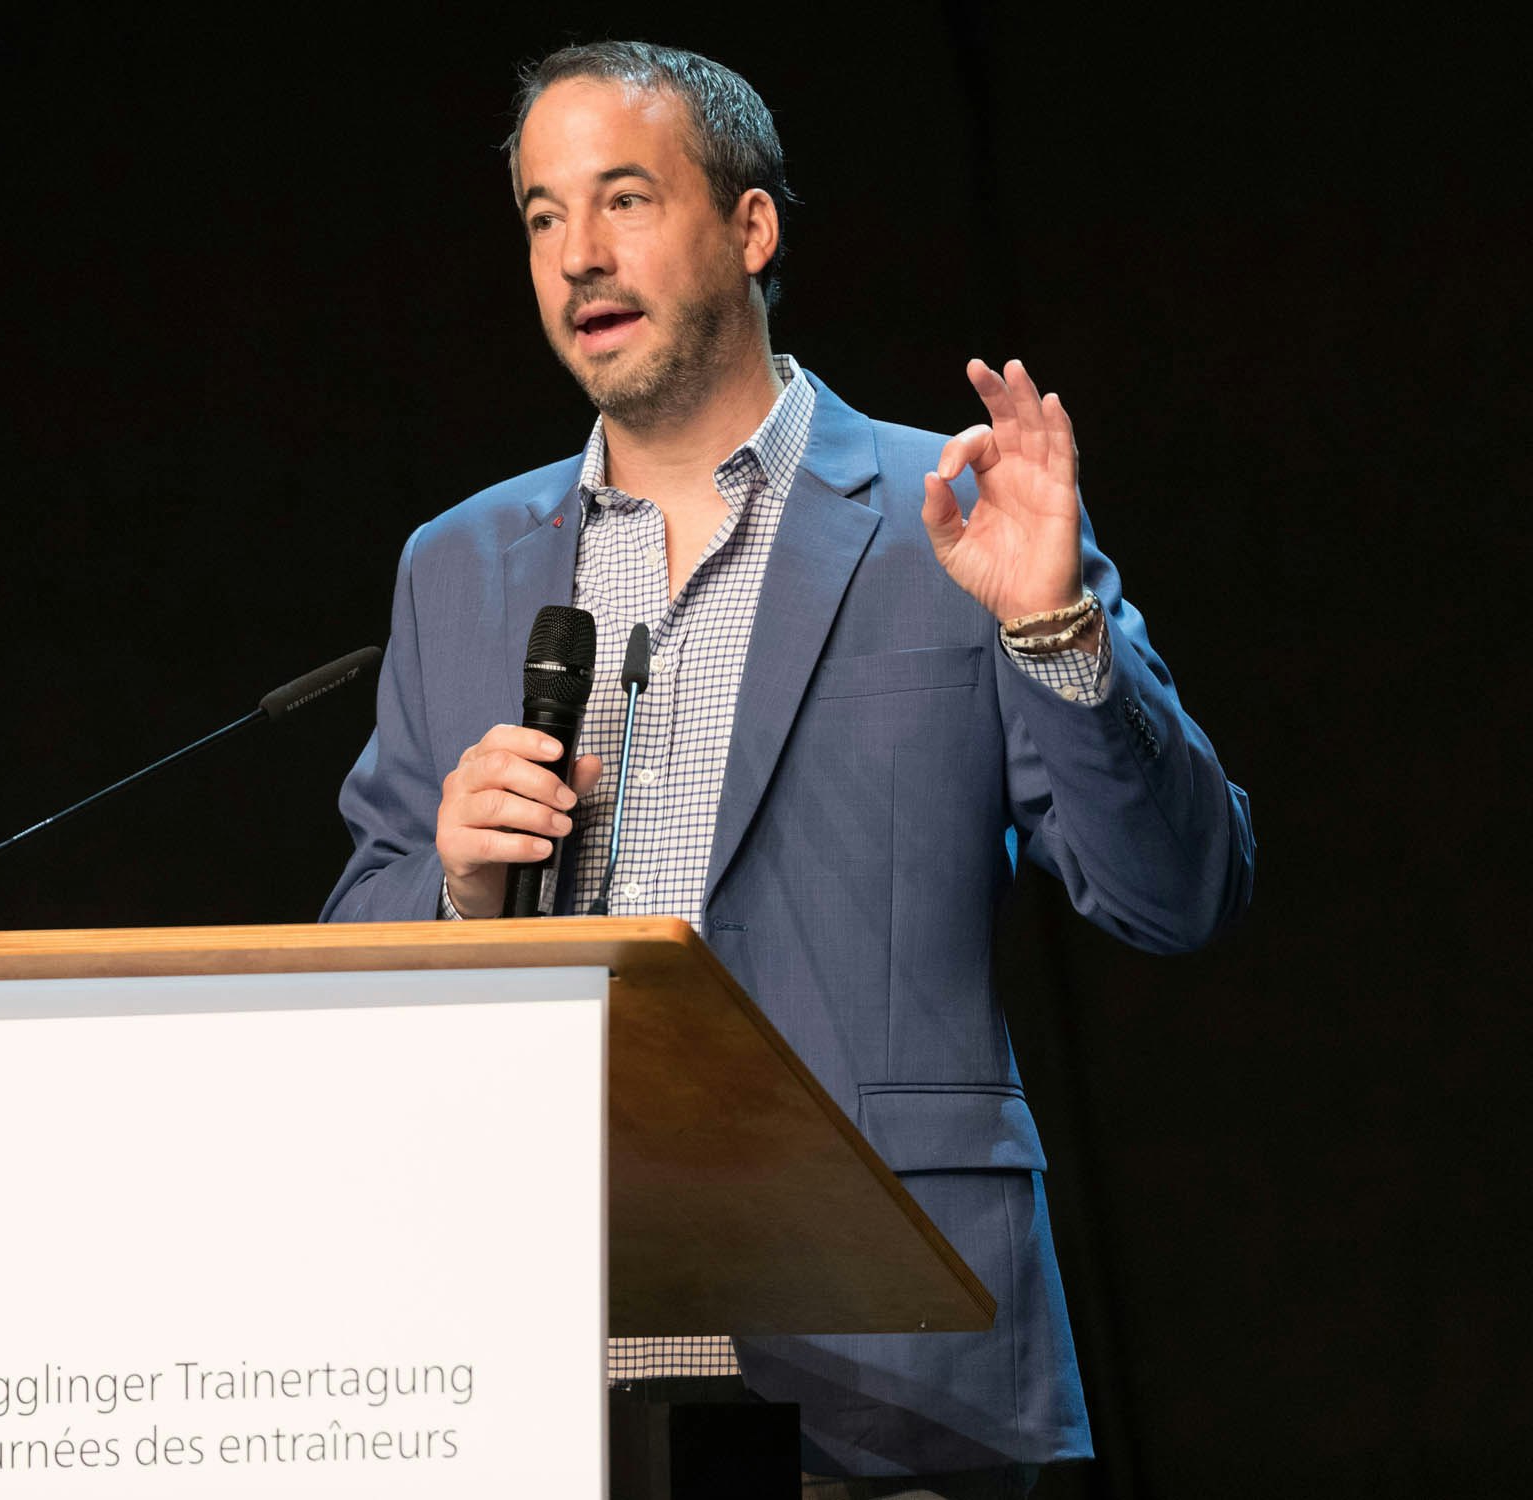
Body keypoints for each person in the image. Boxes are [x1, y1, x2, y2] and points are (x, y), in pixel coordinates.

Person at [323, 40, 1255, 1494]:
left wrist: (1057, 632)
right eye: (543, 216)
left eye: (624, 198)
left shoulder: (947, 519)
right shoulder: (459, 567)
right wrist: (450, 890)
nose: (580, 257)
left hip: (889, 1370)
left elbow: (1179, 892)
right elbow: (354, 956)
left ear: (751, 229)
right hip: (541, 1366)